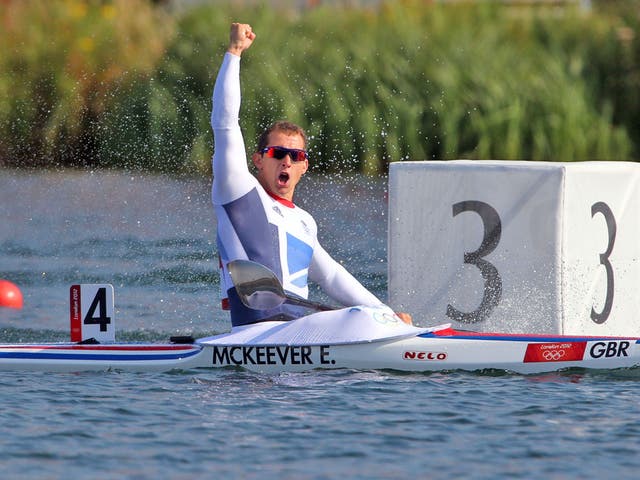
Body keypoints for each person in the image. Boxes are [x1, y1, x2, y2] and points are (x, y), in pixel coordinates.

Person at [211, 22, 411, 327]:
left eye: (296, 156)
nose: (287, 162)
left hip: (300, 331)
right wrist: (234, 52)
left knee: (364, 317)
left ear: (305, 165)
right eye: (277, 154)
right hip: (260, 333)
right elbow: (225, 123)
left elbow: (331, 277)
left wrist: (386, 313)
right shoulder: (236, 189)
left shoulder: (304, 223)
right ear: (258, 160)